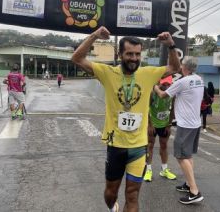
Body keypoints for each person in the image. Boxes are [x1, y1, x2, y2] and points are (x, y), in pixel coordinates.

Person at [71, 26, 180, 212]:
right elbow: (77, 58)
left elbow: (175, 67)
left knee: (132, 194)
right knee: (110, 193)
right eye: (129, 54)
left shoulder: (148, 73)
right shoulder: (108, 73)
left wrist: (170, 45)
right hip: (116, 145)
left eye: (138, 54)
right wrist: (95, 35)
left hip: (138, 146)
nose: (134, 58)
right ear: (120, 54)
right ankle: (112, 207)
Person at [154, 57, 204, 205]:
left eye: (182, 65)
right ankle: (188, 184)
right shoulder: (199, 79)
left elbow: (163, 95)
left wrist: (155, 86)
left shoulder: (183, 82)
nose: (180, 67)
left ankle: (194, 191)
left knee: (181, 156)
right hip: (195, 123)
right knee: (187, 155)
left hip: (186, 125)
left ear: (185, 67)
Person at [144, 75, 176, 182]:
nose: (166, 86)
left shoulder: (172, 94)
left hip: (164, 125)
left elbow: (173, 110)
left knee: (164, 146)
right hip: (153, 124)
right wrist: (150, 124)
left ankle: (164, 169)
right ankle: (148, 170)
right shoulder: (152, 94)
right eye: (164, 84)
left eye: (168, 84)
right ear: (159, 83)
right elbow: (146, 108)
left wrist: (169, 124)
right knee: (150, 145)